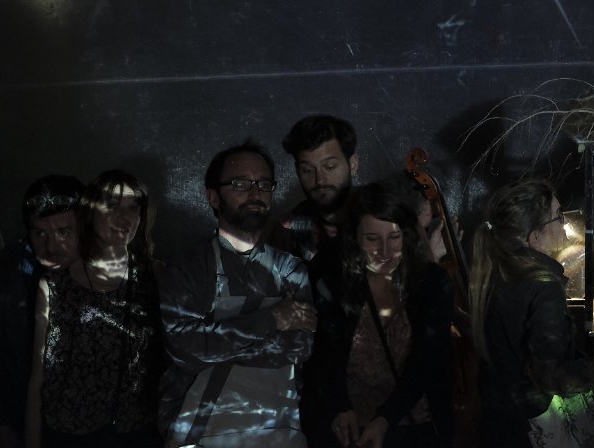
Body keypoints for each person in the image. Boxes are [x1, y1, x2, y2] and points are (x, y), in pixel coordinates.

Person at [158, 141, 315, 448]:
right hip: (199, 434)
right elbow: (185, 351)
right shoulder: (187, 269)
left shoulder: (291, 270)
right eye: (241, 184)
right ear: (213, 197)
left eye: (264, 184)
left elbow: (298, 348)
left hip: (278, 432)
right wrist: (272, 319)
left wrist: (215, 343)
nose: (255, 193)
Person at [25, 170, 163, 448]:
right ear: (90, 212)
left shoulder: (155, 279)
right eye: (112, 205)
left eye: (133, 208)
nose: (124, 217)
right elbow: (37, 379)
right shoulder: (55, 284)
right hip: (67, 433)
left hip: (133, 433)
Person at [311, 181, 454, 448]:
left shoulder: (432, 283)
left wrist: (386, 418)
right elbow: (325, 353)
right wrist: (339, 404)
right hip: (351, 427)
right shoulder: (336, 282)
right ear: (355, 238)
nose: (385, 251)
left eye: (394, 237)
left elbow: (428, 359)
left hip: (415, 425)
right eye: (372, 239)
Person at [469, 178, 594, 447]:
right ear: (534, 237)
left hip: (501, 423)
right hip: (535, 426)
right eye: (558, 216)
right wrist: (590, 370)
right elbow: (550, 372)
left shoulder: (494, 277)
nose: (564, 222)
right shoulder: (543, 285)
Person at [0, 174, 84, 448]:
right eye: (40, 233)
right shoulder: (4, 275)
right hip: (17, 421)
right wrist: (0, 427)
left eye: (64, 232)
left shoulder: (113, 275)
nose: (52, 247)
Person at [272, 114, 360, 262]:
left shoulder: (385, 215)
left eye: (329, 166)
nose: (320, 179)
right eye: (307, 170)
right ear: (297, 171)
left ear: (353, 164)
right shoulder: (289, 231)